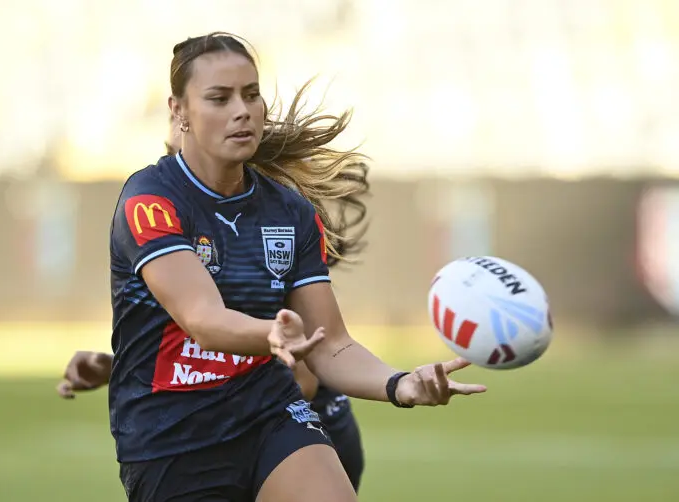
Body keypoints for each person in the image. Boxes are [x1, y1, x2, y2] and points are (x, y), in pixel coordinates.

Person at [76, 31, 487, 502]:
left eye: (251, 94)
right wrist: (271, 334)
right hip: (172, 436)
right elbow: (203, 321)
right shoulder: (151, 200)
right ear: (178, 112)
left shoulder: (290, 211)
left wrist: (400, 384)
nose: (242, 110)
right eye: (219, 98)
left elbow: (329, 344)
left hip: (270, 413)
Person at [58, 115, 365, 491]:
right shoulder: (171, 222)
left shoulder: (273, 224)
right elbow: (196, 334)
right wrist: (121, 367)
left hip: (303, 433)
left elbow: (303, 377)